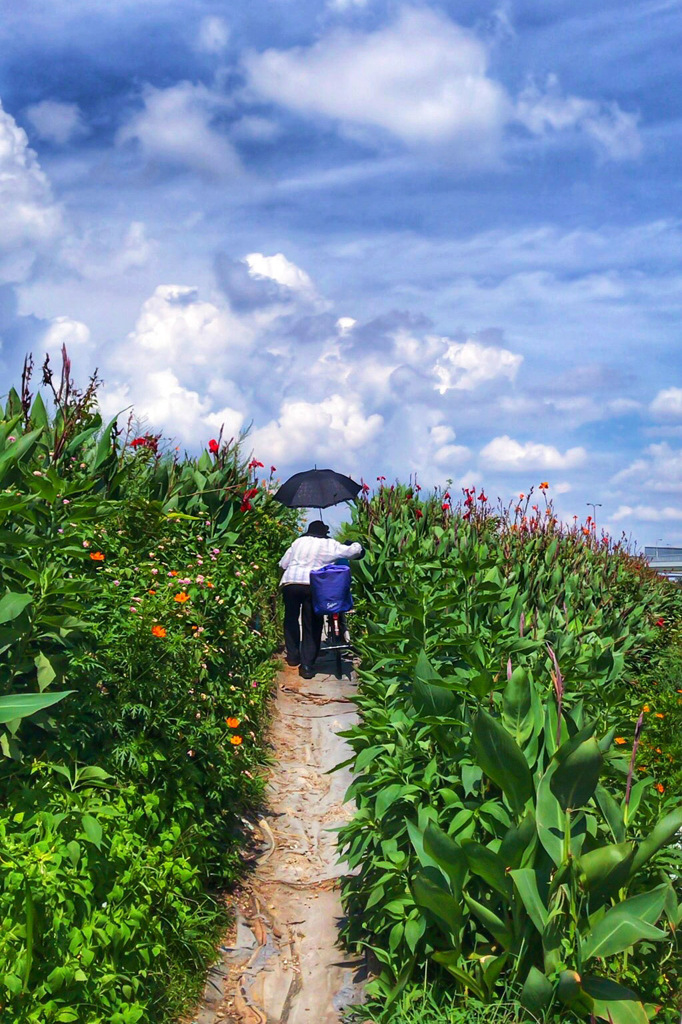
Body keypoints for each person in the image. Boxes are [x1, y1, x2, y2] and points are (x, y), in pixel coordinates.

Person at [279, 520, 364, 678]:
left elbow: (284, 563)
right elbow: (353, 552)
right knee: (312, 623)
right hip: (313, 585)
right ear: (324, 532)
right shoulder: (329, 544)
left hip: (291, 582)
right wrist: (354, 544)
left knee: (290, 618)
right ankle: (307, 665)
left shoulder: (298, 542)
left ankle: (292, 656)